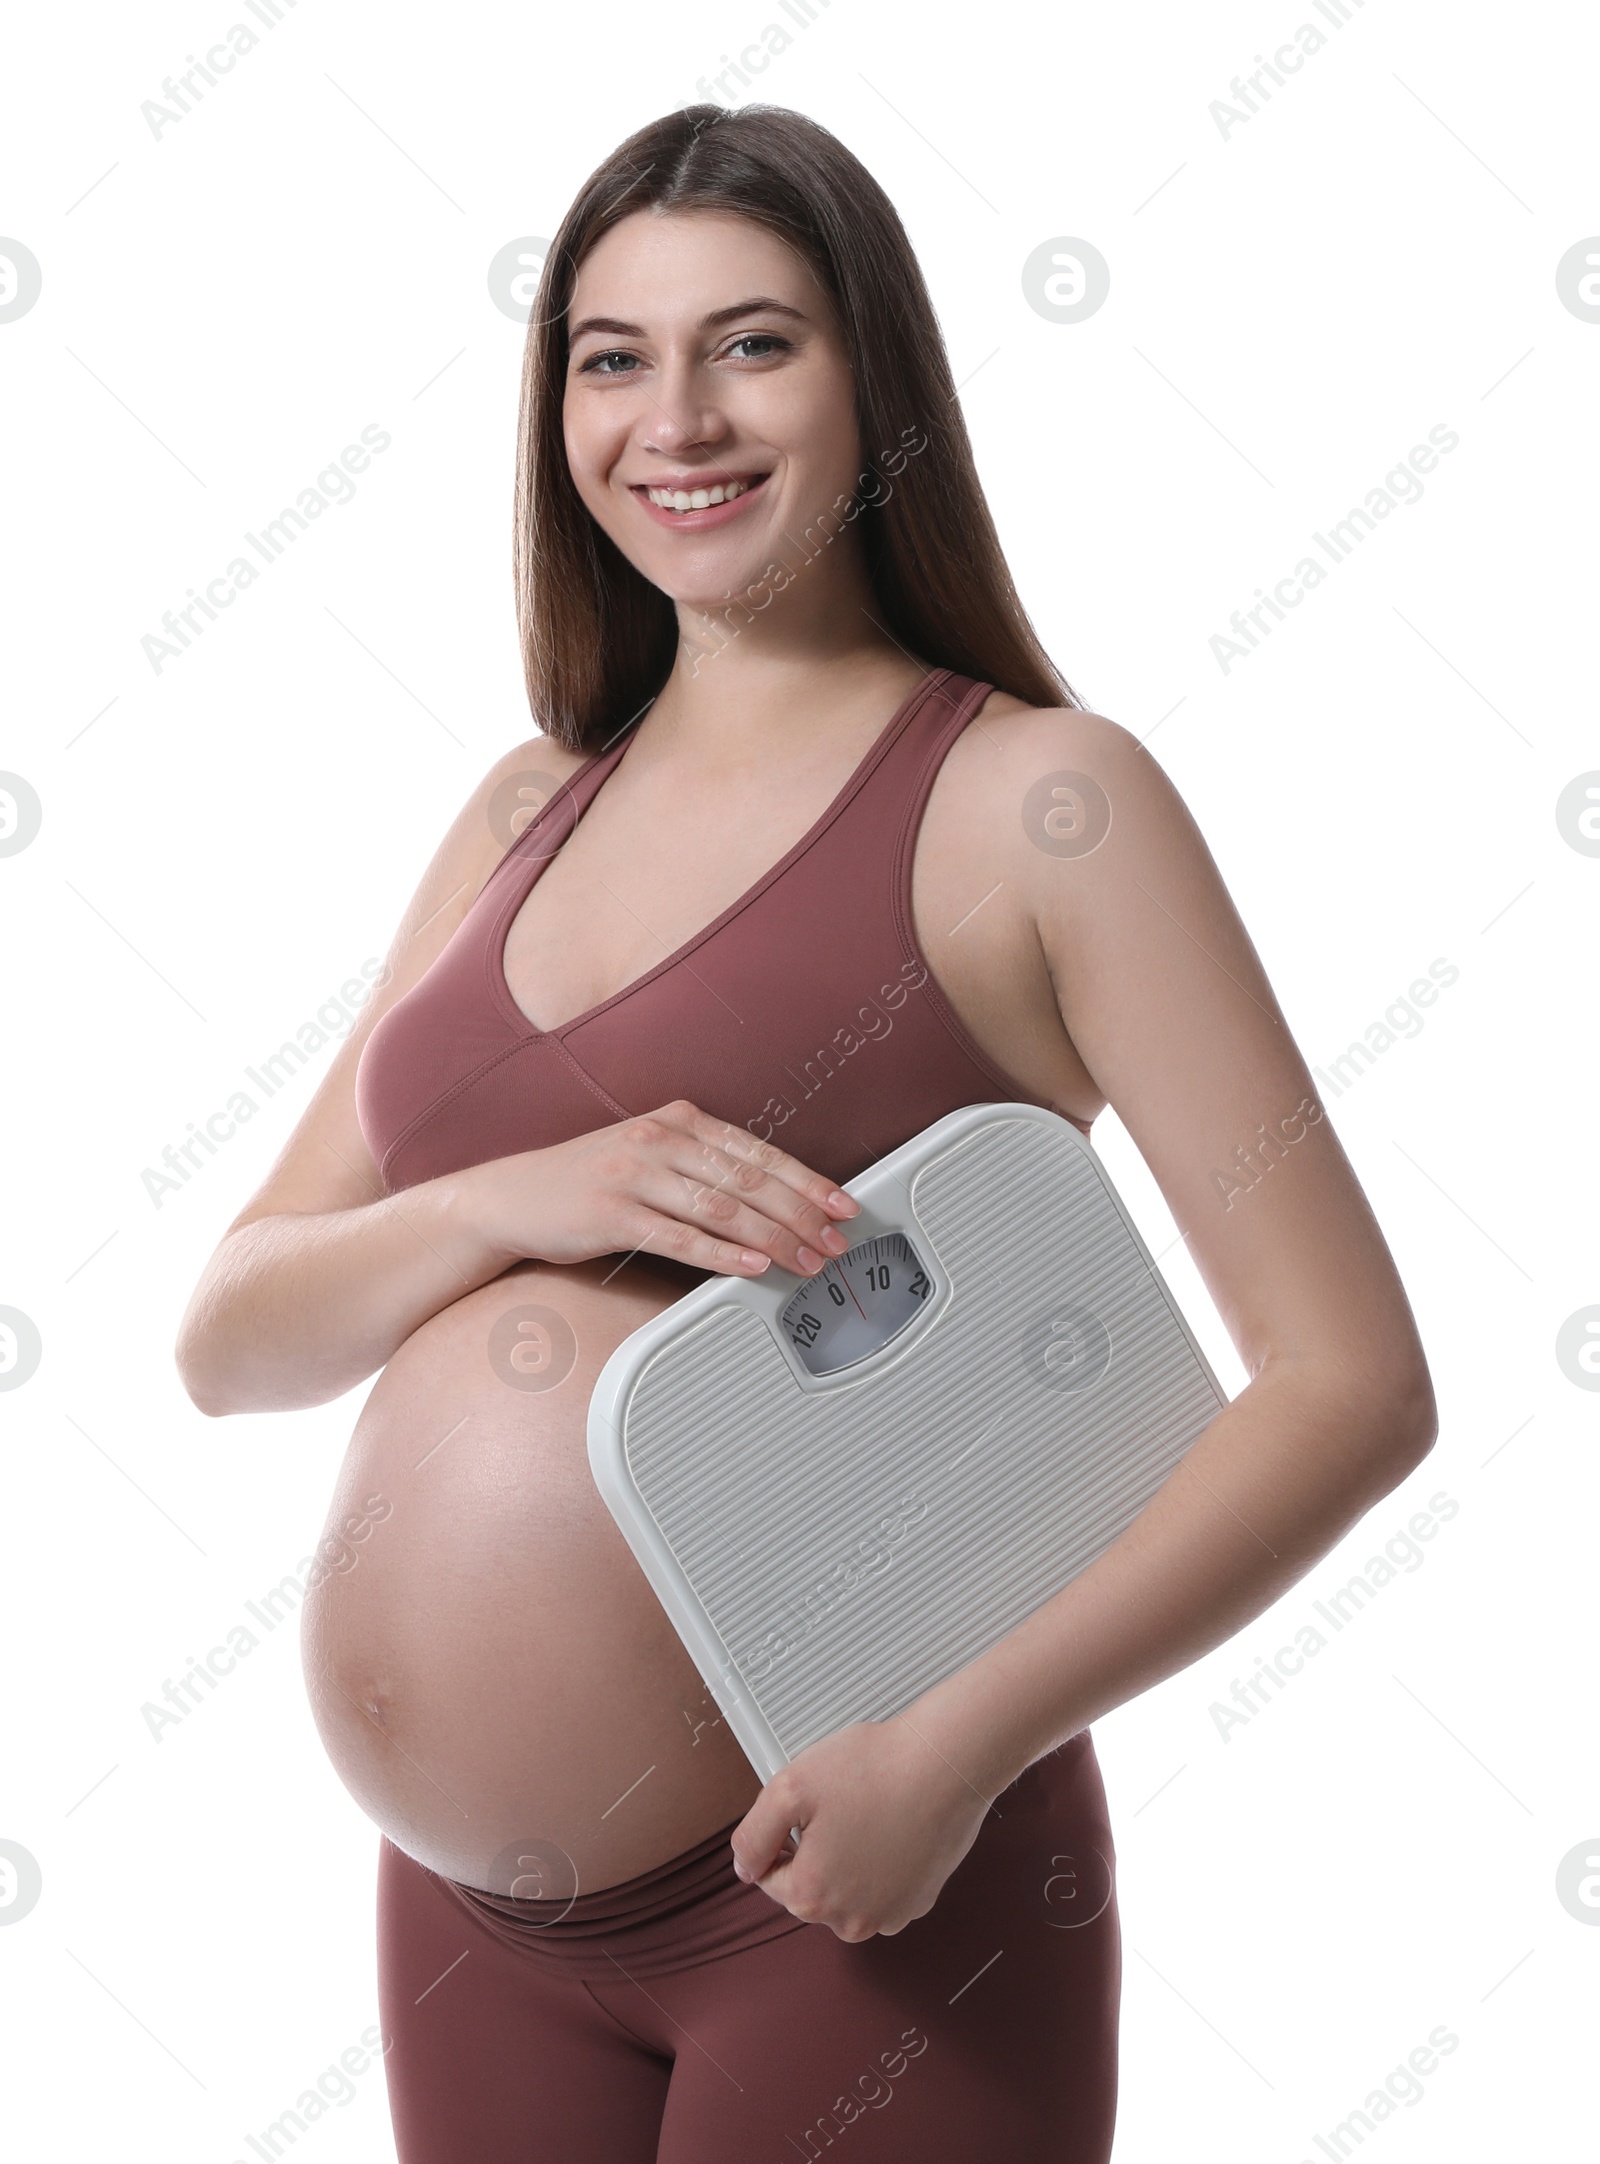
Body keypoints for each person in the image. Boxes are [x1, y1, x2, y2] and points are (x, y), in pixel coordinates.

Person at [175, 101, 1437, 2164]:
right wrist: (512, 1194)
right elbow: (234, 1333)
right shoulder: (520, 812)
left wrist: (949, 1755)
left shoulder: (1041, 801)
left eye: (751, 342)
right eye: (610, 354)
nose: (674, 414)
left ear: (877, 380)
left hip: (859, 1883)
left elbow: (1347, 1383)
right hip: (466, 1916)